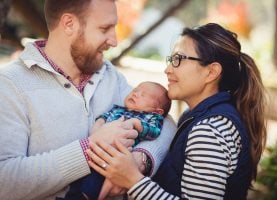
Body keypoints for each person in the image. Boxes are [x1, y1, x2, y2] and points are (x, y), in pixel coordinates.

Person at [0, 0, 176, 199]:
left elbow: (165, 121)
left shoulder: (109, 74)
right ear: (69, 24)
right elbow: (5, 180)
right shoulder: (10, 85)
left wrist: (140, 160)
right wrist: (90, 150)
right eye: (104, 28)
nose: (114, 40)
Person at [87, 23, 267, 200]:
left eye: (178, 59)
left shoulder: (209, 130)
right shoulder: (201, 117)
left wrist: (133, 180)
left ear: (211, 72)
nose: (167, 69)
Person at [62, 81, 171, 200]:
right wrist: (98, 128)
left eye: (143, 95)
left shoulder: (152, 118)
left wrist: (137, 124)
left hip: (117, 157)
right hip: (96, 151)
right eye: (135, 90)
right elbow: (103, 117)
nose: (135, 94)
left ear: (157, 111)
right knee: (79, 180)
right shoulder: (118, 109)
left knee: (94, 184)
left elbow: (154, 132)